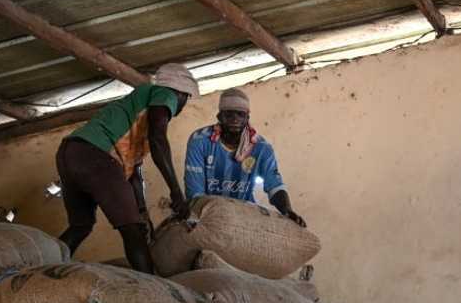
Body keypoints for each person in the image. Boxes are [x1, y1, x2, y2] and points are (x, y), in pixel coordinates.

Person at [55, 63, 198, 272]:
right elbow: (159, 140)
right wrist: (176, 192)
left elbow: (133, 173)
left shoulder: (135, 113)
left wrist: (142, 213)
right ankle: (156, 289)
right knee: (133, 231)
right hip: (95, 155)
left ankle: (43, 268)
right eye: (186, 98)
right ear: (181, 93)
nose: (182, 105)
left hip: (70, 153)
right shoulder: (165, 93)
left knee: (80, 226)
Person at [183, 87, 306, 226]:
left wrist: (287, 210)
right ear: (219, 116)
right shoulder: (200, 141)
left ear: (247, 117)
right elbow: (195, 192)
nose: (234, 119)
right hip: (207, 213)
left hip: (245, 213)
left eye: (240, 114)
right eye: (229, 114)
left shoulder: (261, 147)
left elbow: (275, 186)